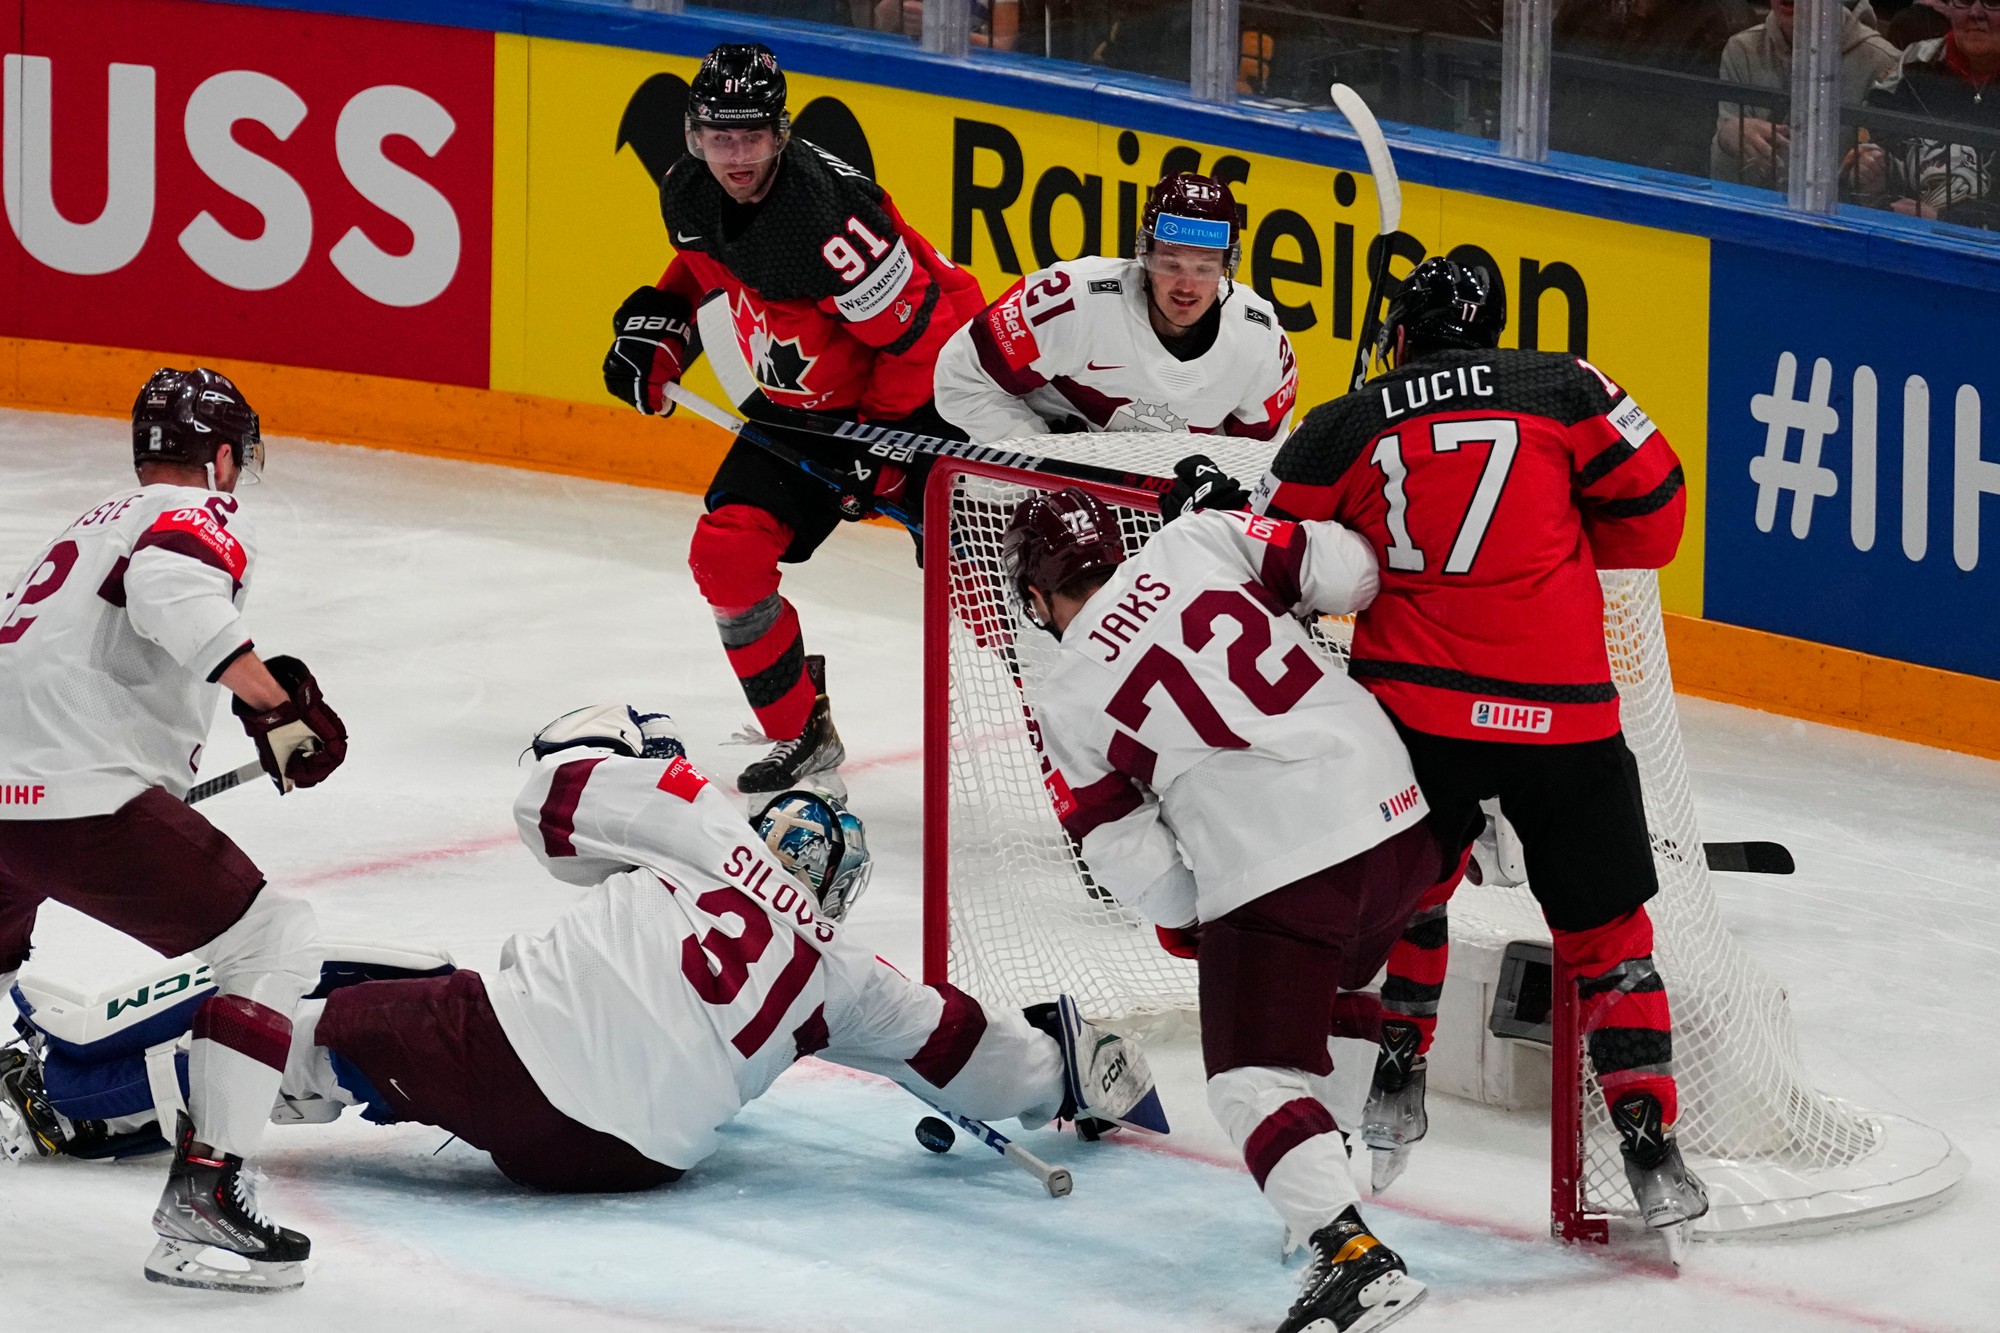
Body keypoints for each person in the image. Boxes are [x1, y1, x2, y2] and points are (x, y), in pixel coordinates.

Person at [4, 705, 1164, 1195]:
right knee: (409, 984)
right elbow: (974, 1056)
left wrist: (642, 746)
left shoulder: (708, 826)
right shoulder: (844, 978)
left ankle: (82, 1099)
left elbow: (546, 790)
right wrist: (1068, 1069)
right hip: (631, 1163)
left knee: (302, 1034)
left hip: (513, 1063)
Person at [1232, 257, 1706, 1233]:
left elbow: (1270, 552)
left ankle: (1396, 1077)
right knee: (1608, 941)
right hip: (1562, 710)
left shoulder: (1348, 418)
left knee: (1407, 896)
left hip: (1416, 715)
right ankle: (1650, 1149)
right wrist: (1560, 547)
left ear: (1401, 332)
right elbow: (1657, 520)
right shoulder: (1563, 384)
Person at [1005, 488, 1445, 1333]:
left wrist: (1190, 917)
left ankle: (1350, 1254)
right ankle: (1326, 1164)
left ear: (1036, 596)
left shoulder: (1063, 694)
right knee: (1343, 984)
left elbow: (1119, 843)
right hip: (1398, 812)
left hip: (1282, 861)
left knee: (1248, 1075)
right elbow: (1353, 572)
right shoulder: (1197, 536)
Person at [0, 368, 347, 1293]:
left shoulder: (86, 523)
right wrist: (272, 705)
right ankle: (206, 1197)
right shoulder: (198, 517)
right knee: (273, 938)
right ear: (223, 455)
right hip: (79, 797)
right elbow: (168, 590)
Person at [602, 43, 987, 797]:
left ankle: (1093, 780)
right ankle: (800, 731)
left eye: (751, 137)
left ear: (780, 133)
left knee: (992, 590)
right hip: (810, 412)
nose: (735, 156)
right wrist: (667, 325)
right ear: (694, 136)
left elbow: (921, 340)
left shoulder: (828, 220)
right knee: (726, 553)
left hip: (933, 402)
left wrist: (875, 442)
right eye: (720, 136)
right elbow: (706, 257)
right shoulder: (688, 189)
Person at [933, 172, 1297, 446]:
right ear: (1145, 254)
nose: (1187, 286)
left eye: (1204, 269)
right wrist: (1042, 460)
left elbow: (1257, 462)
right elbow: (961, 379)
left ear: (1226, 267)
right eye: (1171, 264)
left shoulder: (1260, 342)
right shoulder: (1072, 302)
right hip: (1032, 508)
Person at [1712, 0, 1900, 189]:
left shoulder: (1883, 62)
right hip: (1755, 209)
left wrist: (1873, 175)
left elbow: (1899, 183)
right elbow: (1721, 183)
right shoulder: (1741, 50)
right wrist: (1727, 138)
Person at [1851, 0, 2000, 228]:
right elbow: (1871, 143)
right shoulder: (1914, 62)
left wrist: (1945, 221)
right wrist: (1869, 173)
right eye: (1964, 0)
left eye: (1993, 2)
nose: (1975, 13)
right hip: (1906, 236)